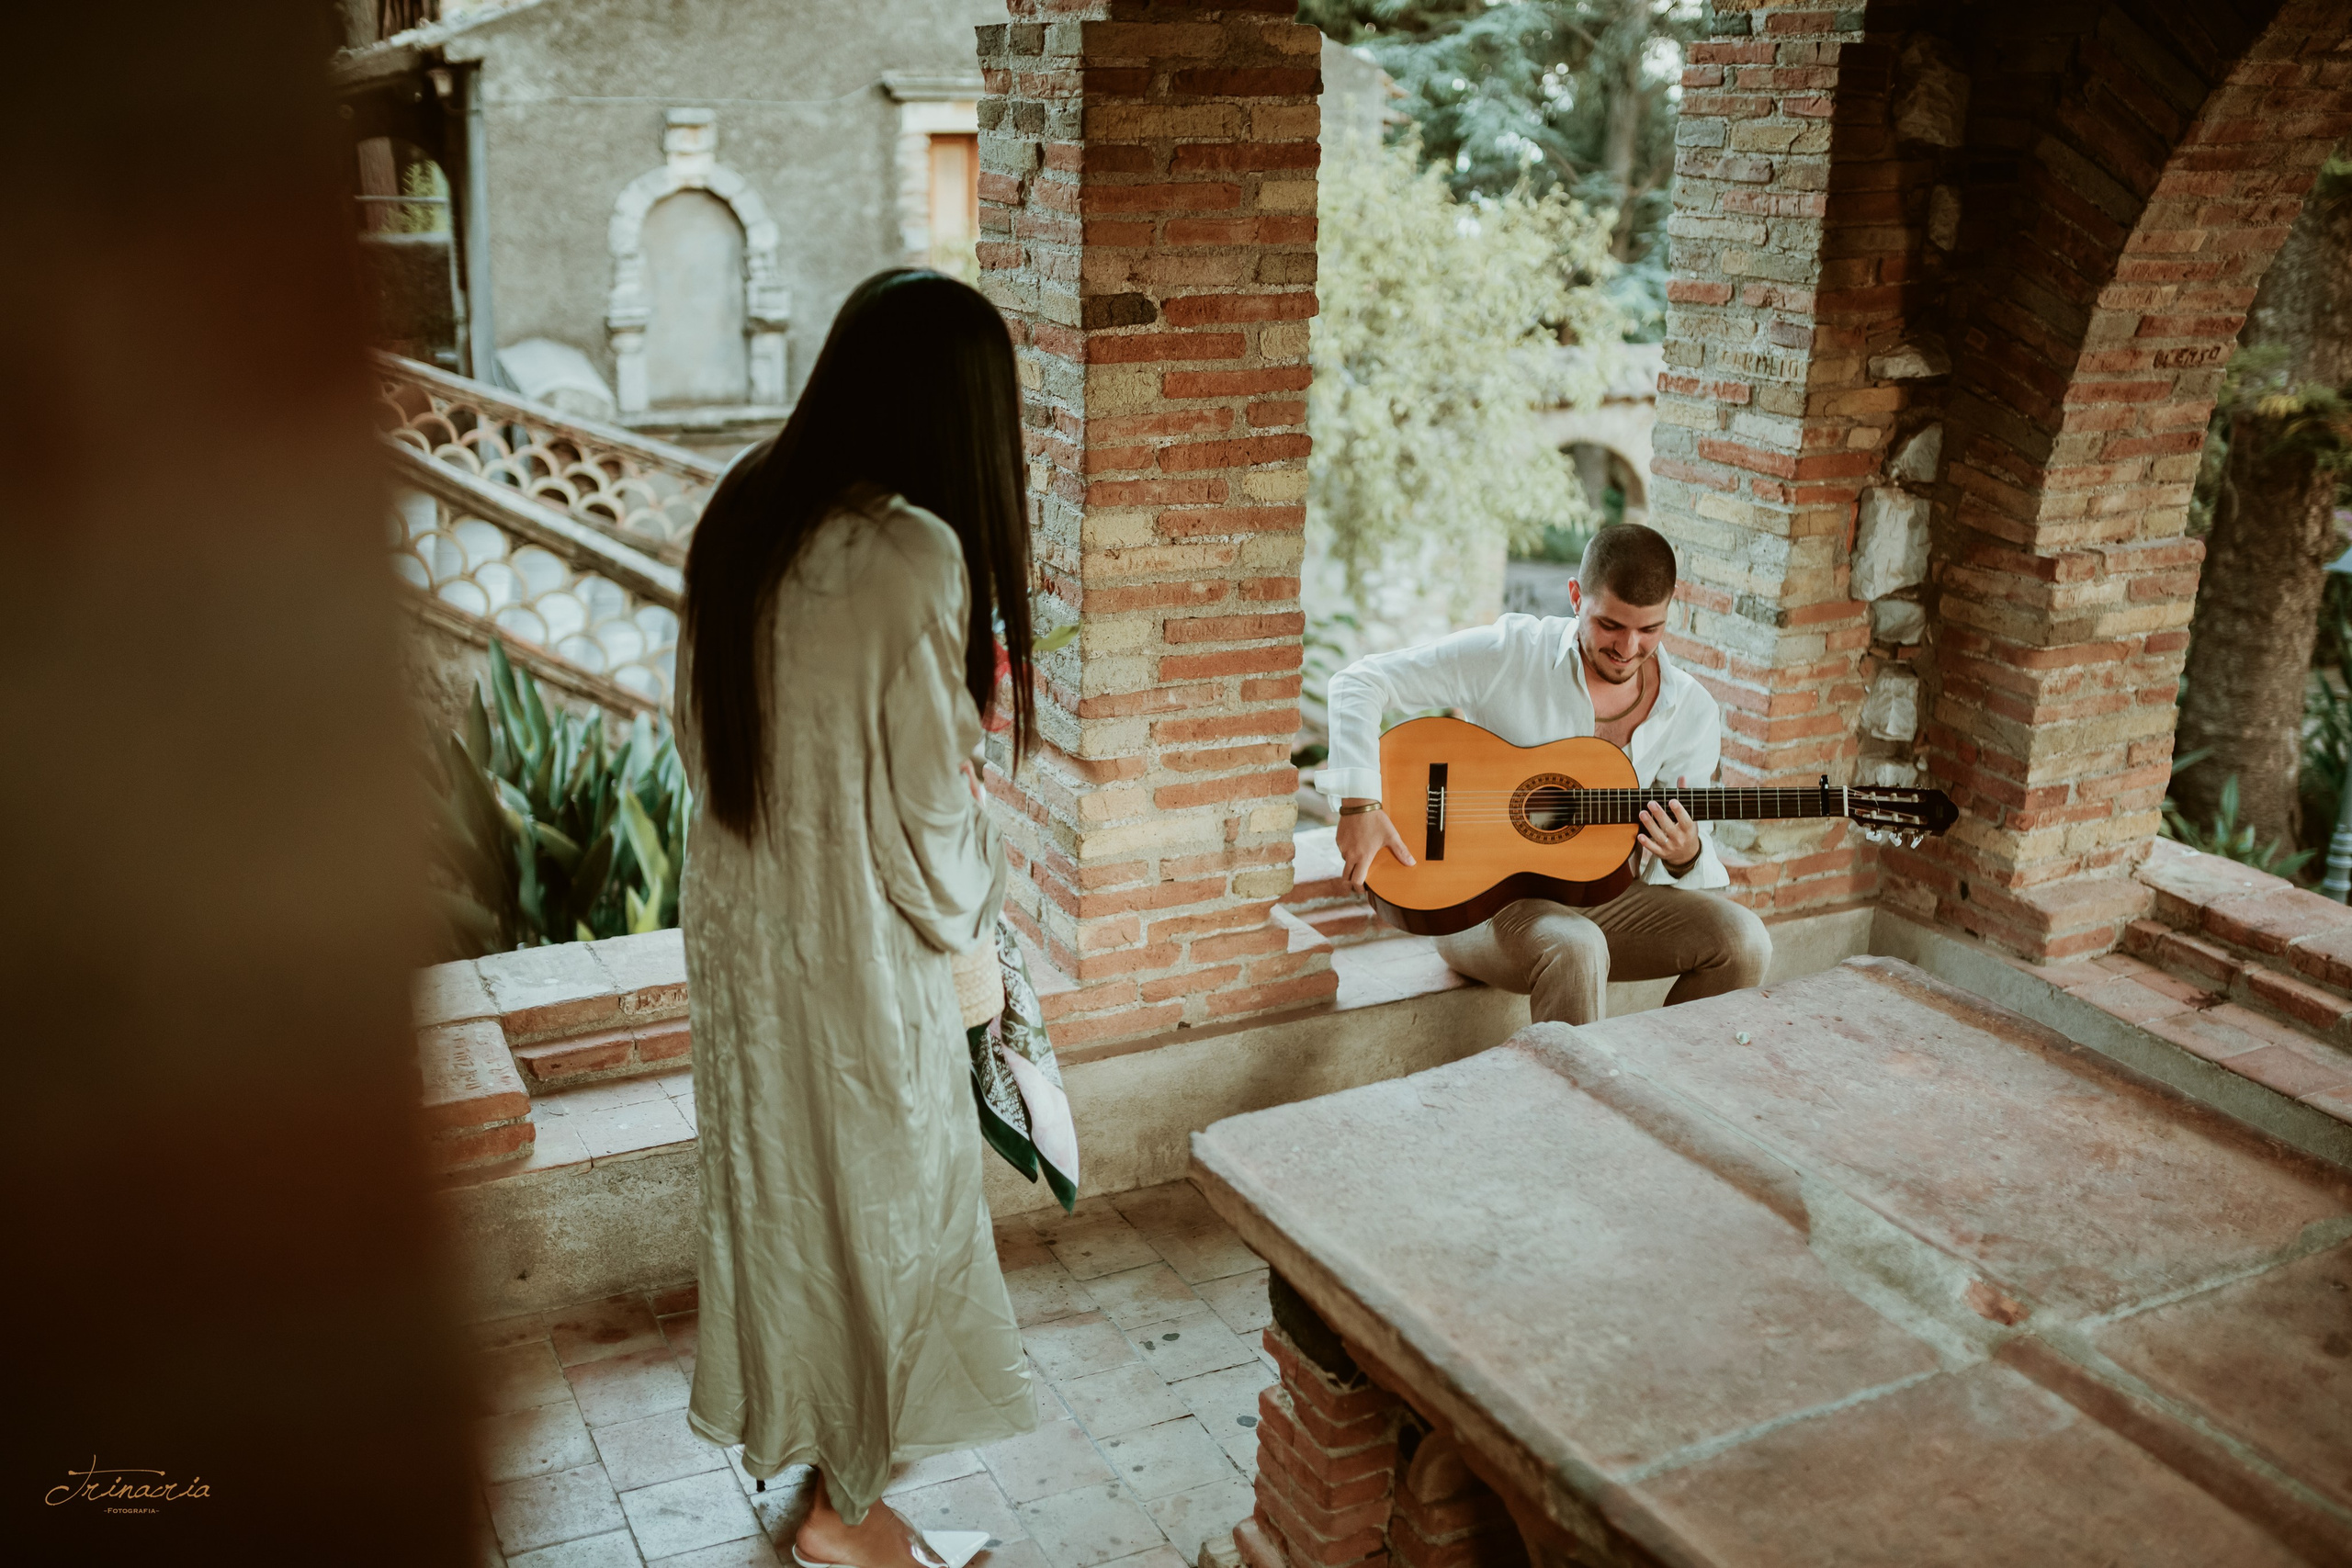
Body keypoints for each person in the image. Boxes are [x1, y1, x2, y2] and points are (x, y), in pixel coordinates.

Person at [675, 269, 1039, 1568]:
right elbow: (928, 824)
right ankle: (849, 1513)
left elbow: (698, 735)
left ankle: (827, 1467)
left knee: (787, 1199)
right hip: (857, 950)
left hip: (739, 933)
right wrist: (979, 941)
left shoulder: (746, 506)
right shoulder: (910, 554)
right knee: (890, 1213)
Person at [1317, 523, 1770, 1024]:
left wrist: (1686, 856)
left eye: (1649, 630)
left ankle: (1659, 1086)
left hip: (1605, 899)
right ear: (1576, 596)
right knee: (1576, 947)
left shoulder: (1690, 710)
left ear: (1669, 612)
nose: (1628, 647)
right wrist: (1360, 803)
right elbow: (1357, 683)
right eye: (1610, 625)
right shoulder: (1511, 652)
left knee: (1744, 943)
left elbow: (1681, 852)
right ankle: (1573, 1098)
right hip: (1480, 904)